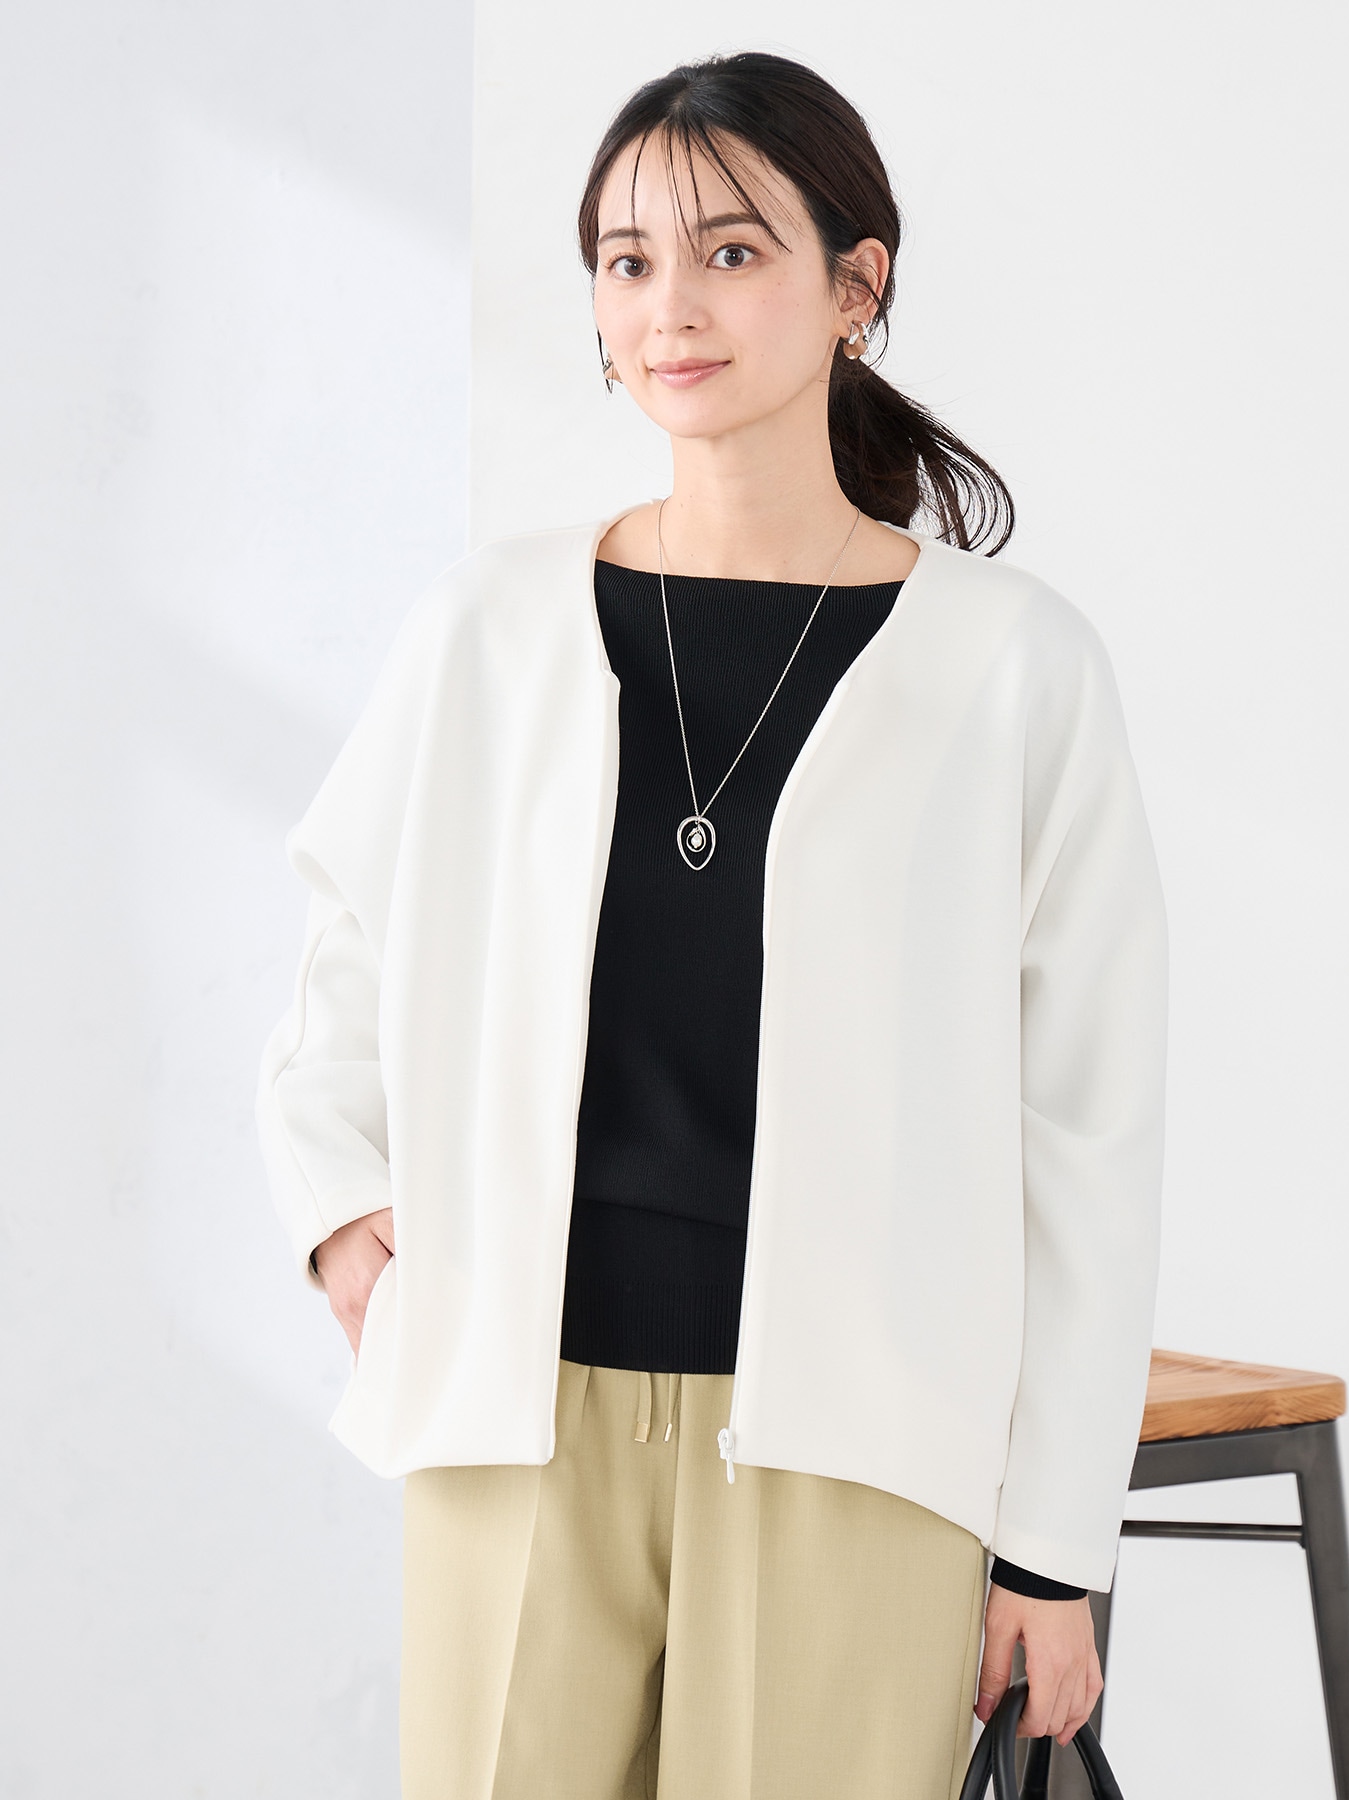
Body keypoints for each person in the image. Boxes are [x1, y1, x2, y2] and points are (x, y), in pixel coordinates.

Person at [256, 49, 1168, 1800]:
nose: (668, 305)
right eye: (627, 260)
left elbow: (1090, 1130)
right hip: (515, 1419)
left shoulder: (1013, 668)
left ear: (857, 282)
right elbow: (342, 953)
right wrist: (345, 1223)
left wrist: (1054, 1551)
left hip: (857, 1452)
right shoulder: (492, 628)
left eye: (732, 252)